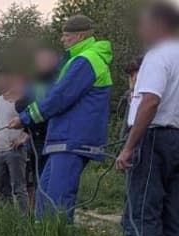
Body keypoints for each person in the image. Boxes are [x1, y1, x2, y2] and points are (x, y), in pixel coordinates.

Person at [11, 15, 113, 222]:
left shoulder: (86, 60)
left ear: (81, 35)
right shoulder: (78, 59)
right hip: (62, 138)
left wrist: (26, 117)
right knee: (45, 194)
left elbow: (60, 97)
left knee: (57, 199)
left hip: (72, 138)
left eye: (67, 35)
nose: (62, 39)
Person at [116, 1, 179, 236]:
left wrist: (129, 146)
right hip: (176, 138)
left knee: (142, 214)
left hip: (152, 139)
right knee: (173, 217)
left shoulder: (158, 56)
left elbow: (151, 100)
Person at [0, 71, 32, 212]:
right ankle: (7, 218)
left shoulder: (26, 100)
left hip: (16, 150)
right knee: (2, 187)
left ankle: (24, 219)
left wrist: (23, 137)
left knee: (19, 187)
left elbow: (34, 121)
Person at [25, 48, 63, 212]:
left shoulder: (59, 80)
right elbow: (21, 103)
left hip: (52, 135)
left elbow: (52, 106)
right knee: (35, 179)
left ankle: (51, 215)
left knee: (49, 178)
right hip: (33, 137)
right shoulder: (32, 82)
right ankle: (37, 216)